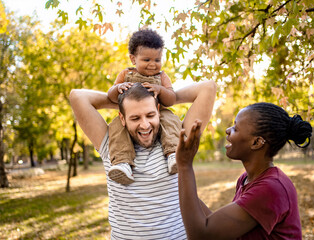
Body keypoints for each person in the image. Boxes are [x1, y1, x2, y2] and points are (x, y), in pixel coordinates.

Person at [69, 81, 216, 239]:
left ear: (158, 111)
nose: (145, 125)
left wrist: (163, 98)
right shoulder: (111, 145)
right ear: (122, 119)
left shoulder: (177, 141)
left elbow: (208, 88)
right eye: (135, 117)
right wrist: (124, 101)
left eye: (150, 115)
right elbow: (77, 96)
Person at [176, 102, 312, 240]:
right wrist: (178, 184)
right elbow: (217, 227)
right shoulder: (246, 179)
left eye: (236, 128)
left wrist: (185, 166)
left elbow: (202, 235)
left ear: (256, 142)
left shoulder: (271, 188)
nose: (228, 130)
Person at [107, 29, 181, 185]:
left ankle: (173, 154)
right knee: (116, 126)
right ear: (133, 59)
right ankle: (122, 162)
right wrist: (118, 89)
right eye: (147, 60)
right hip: (131, 117)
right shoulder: (126, 74)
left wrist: (161, 90)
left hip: (156, 114)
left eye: (157, 59)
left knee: (171, 119)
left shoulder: (161, 76)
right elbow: (111, 96)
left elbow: (171, 100)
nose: (153, 64)